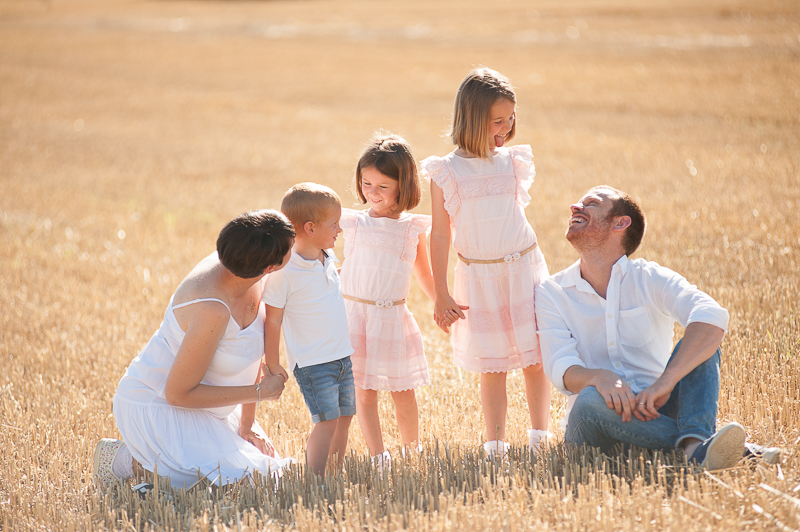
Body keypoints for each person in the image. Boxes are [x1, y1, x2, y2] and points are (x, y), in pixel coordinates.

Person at [536, 185, 782, 469]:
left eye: (590, 203)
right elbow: (560, 368)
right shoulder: (552, 292)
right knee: (591, 396)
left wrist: (666, 382)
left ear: (620, 223)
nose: (575, 207)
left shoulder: (649, 277)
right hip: (594, 422)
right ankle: (715, 448)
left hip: (655, 410)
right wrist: (599, 378)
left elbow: (711, 316)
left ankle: (693, 449)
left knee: (703, 349)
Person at [94, 210, 296, 489]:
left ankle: (161, 466)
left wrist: (247, 424)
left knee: (268, 476)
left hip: (213, 405)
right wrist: (261, 393)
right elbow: (177, 394)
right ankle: (124, 459)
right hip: (159, 405)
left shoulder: (248, 263)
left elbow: (251, 353)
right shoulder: (211, 308)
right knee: (248, 483)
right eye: (291, 247)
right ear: (270, 267)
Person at [421, 67, 552, 455]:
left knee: (535, 359)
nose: (508, 126)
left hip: (525, 270)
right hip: (478, 277)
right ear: (472, 118)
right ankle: (496, 447)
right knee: (492, 366)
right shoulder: (446, 171)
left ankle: (539, 438)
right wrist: (441, 293)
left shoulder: (512, 161)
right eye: (498, 120)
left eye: (511, 117)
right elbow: (441, 234)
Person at [339, 132, 435, 466]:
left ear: (403, 185)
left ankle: (412, 451)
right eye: (366, 184)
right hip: (354, 317)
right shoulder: (351, 223)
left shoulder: (411, 229)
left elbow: (423, 273)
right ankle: (379, 457)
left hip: (391, 317)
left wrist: (441, 300)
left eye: (383, 186)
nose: (372, 193)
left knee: (403, 393)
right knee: (363, 394)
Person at [261, 183, 355, 477]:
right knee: (326, 420)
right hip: (314, 362)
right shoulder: (284, 272)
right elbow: (273, 320)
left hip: (342, 355)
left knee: (345, 416)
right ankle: (315, 481)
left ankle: (334, 472)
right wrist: (273, 362)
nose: (339, 229)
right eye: (334, 224)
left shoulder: (326, 256)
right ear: (310, 228)